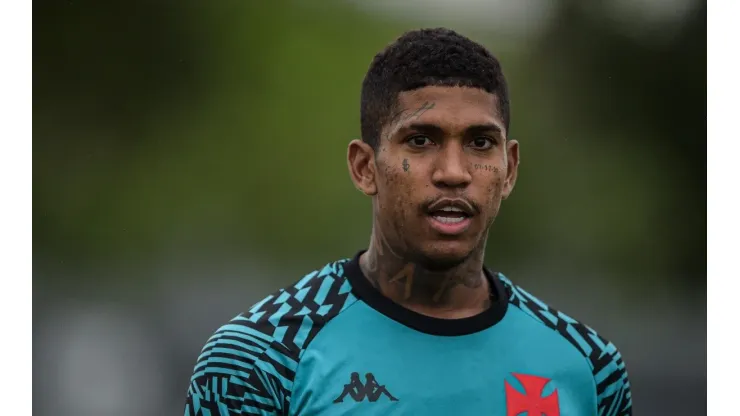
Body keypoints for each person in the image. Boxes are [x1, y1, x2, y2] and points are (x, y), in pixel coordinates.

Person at [184, 28, 632, 415]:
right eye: (420, 140)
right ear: (365, 168)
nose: (454, 172)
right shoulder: (259, 360)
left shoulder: (589, 369)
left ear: (509, 169)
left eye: (479, 143)